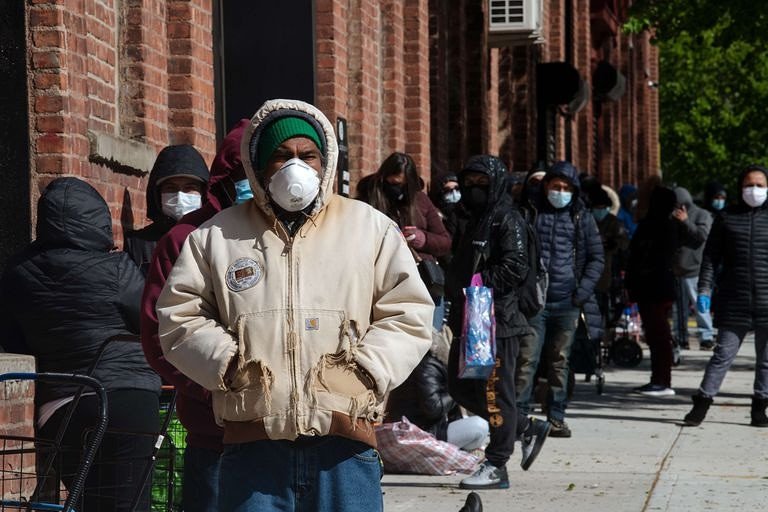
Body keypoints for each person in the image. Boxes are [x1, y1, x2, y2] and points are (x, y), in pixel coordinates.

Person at [155, 99, 433, 511]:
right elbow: (179, 318)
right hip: (253, 450)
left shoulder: (370, 229)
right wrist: (228, 363)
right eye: (281, 156)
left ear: (325, 163)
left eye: (308, 156)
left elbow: (408, 313)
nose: (295, 166)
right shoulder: (216, 237)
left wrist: (367, 370)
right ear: (259, 165)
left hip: (344, 446)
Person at [0, 177, 161, 511]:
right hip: (127, 397)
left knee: (87, 502)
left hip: (62, 404)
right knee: (128, 503)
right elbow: (151, 321)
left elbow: (12, 337)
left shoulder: (18, 272)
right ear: (99, 219)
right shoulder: (117, 269)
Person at [140, 119, 250, 512]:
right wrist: (213, 391)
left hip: (293, 433)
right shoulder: (184, 238)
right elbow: (161, 331)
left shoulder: (301, 238)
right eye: (241, 174)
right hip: (214, 428)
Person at [446, 155, 551, 490]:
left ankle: (496, 464)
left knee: (495, 393)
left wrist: (481, 281)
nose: (474, 189)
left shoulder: (506, 219)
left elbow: (516, 265)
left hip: (497, 320)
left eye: (482, 183)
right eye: (469, 183)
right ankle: (523, 426)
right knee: (459, 385)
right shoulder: (473, 219)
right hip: (469, 319)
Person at [516, 161, 604, 438]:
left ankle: (556, 416)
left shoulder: (581, 217)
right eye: (556, 187)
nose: (560, 192)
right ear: (546, 187)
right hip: (535, 302)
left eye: (566, 188)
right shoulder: (531, 213)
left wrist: (581, 292)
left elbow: (596, 258)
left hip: (567, 301)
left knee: (559, 361)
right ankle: (518, 418)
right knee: (527, 359)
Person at [684, 165, 768, 428]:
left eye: (759, 185)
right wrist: (704, 290)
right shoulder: (727, 217)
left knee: (766, 360)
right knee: (722, 355)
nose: (753, 190)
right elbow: (710, 257)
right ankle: (702, 402)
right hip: (735, 298)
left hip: (767, 300)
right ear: (739, 187)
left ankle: (760, 407)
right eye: (748, 185)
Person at [357, 152, 452, 329]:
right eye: (393, 184)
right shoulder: (368, 198)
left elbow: (445, 241)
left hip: (421, 279)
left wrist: (423, 239)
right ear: (384, 178)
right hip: (381, 279)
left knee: (428, 339)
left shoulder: (420, 200)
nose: (398, 190)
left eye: (403, 186)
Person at [385, 328, 489, 452]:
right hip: (415, 431)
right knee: (480, 425)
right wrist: (458, 391)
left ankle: (455, 454)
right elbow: (433, 408)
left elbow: (451, 412)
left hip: (425, 427)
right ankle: (452, 454)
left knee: (477, 424)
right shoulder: (428, 365)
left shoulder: (435, 363)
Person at [625, 184, 680, 397]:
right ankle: (658, 378)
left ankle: (662, 380)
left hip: (653, 288)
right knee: (657, 335)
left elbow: (639, 257)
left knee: (658, 336)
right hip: (657, 287)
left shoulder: (656, 226)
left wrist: (631, 283)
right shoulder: (665, 225)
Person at [124, 144, 209, 274]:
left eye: (189, 188)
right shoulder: (138, 244)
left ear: (203, 193)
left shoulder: (215, 238)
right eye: (171, 188)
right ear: (158, 195)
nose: (180, 196)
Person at [672, 187, 714, 350]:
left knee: (700, 305)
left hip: (695, 268)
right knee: (678, 308)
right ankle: (680, 336)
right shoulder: (672, 216)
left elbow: (702, 236)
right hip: (677, 268)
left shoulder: (702, 215)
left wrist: (685, 222)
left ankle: (706, 336)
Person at [589, 187, 629, 330]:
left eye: (602, 207)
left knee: (610, 307)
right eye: (597, 207)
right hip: (592, 274)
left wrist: (613, 243)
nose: (599, 211)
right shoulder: (588, 222)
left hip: (611, 271)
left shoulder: (614, 223)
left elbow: (623, 245)